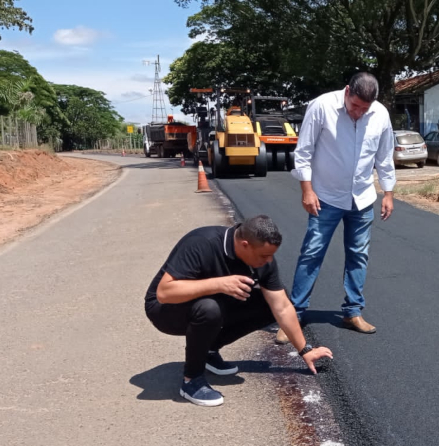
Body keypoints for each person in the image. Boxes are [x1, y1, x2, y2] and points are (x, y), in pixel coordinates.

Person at [144, 215, 333, 407]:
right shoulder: (202, 243)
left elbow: (282, 307)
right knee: (209, 309)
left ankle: (208, 350)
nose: (268, 261)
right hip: (165, 311)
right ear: (245, 244)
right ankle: (191, 380)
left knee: (267, 305)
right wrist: (219, 284)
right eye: (263, 256)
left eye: (271, 255)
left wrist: (305, 350)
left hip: (207, 302)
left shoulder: (264, 260)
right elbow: (164, 293)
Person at [276, 72, 396, 344]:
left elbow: (384, 157)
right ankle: (294, 314)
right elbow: (304, 151)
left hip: (363, 197)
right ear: (346, 91)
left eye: (364, 109)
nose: (358, 113)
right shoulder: (321, 107)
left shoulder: (379, 114)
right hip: (325, 196)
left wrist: (388, 192)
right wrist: (306, 190)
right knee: (312, 252)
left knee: (358, 254)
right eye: (355, 106)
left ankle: (352, 312)